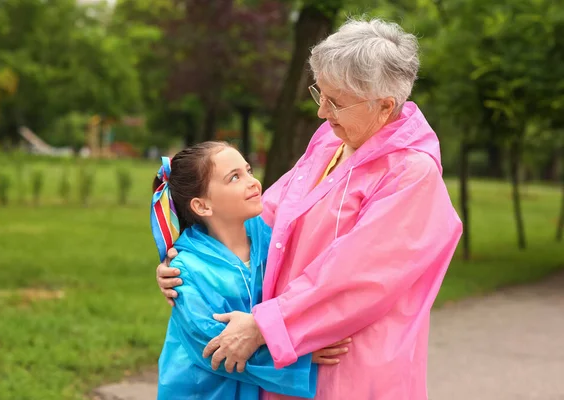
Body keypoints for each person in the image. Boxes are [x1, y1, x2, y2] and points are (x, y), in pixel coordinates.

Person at [157, 17, 462, 400]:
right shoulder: (331, 144)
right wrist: (189, 262)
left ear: (384, 106)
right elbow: (262, 219)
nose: (322, 112)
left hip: (348, 363)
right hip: (293, 353)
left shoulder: (411, 175)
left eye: (336, 102)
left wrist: (266, 327)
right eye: (321, 93)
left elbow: (358, 277)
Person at [150, 142, 350, 400]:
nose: (253, 182)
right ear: (202, 206)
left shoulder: (268, 238)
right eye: (234, 177)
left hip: (252, 390)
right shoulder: (186, 269)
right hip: (201, 391)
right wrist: (297, 356)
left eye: (248, 170)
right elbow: (214, 346)